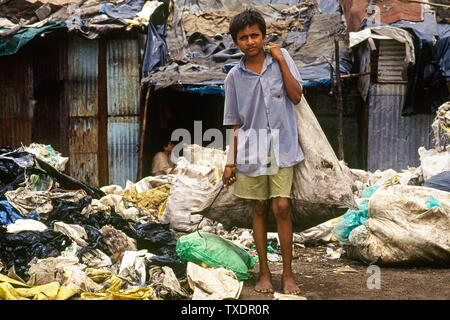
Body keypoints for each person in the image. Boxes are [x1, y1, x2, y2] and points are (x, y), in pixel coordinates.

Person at [222, 8, 304, 295]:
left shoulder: (281, 61)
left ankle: (289, 274)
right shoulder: (234, 77)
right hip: (250, 150)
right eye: (243, 37)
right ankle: (264, 274)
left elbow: (296, 96)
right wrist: (230, 163)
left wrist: (281, 60)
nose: (250, 41)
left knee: (281, 206)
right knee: (258, 208)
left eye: (255, 35)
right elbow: (234, 123)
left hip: (283, 147)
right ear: (236, 42)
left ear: (264, 36)